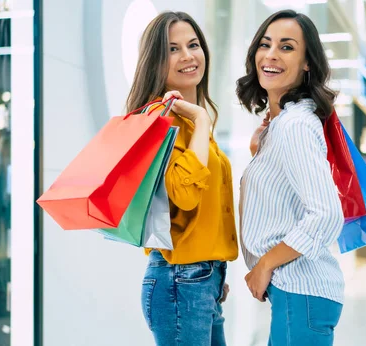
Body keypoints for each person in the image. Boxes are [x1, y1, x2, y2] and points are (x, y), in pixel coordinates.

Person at [126, 12, 238, 345]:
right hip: (181, 280)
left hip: (201, 279)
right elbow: (185, 196)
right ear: (156, 62)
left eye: (193, 44)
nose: (188, 56)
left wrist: (213, 273)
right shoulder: (160, 118)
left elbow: (199, 209)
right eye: (173, 49)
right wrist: (202, 120)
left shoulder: (187, 118)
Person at [237, 10, 345, 345]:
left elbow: (326, 215)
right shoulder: (285, 124)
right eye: (265, 44)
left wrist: (265, 264)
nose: (270, 55)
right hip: (298, 294)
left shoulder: (295, 125)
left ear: (307, 62)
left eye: (286, 47)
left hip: (301, 291)